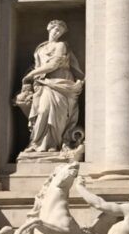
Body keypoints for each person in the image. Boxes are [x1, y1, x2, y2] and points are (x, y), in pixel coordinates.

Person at [14, 20, 85, 155]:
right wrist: (31, 78)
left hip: (60, 82)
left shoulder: (61, 45)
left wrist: (31, 74)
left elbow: (54, 65)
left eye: (60, 31)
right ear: (49, 28)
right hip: (43, 83)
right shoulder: (40, 48)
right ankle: (36, 144)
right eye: (55, 29)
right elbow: (38, 66)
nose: (57, 32)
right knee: (42, 111)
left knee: (57, 115)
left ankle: (54, 144)